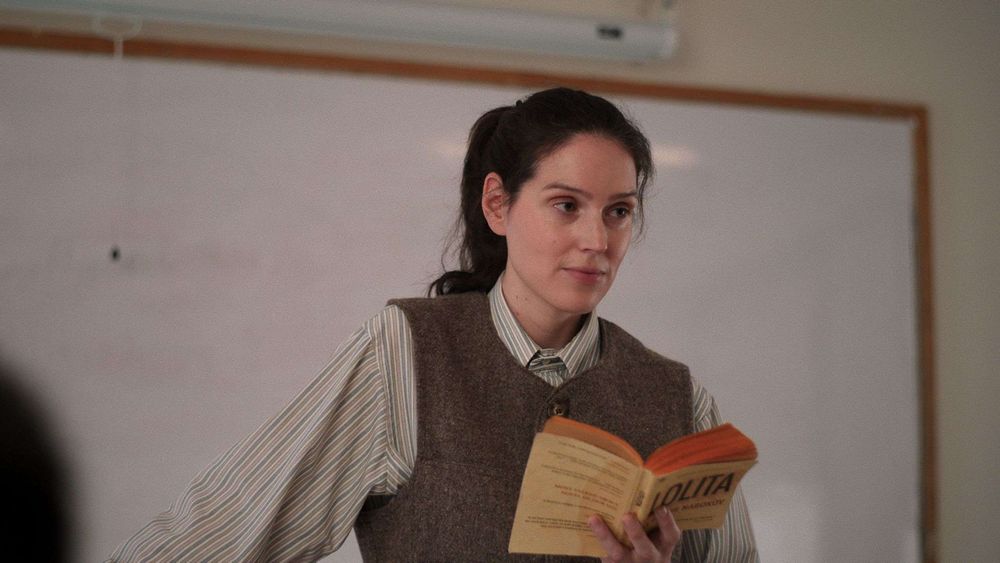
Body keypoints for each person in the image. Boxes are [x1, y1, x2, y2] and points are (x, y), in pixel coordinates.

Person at [108, 87, 758, 562]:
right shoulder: (405, 353)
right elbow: (225, 530)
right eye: (567, 205)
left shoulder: (678, 397)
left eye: (619, 212)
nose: (597, 238)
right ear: (498, 204)